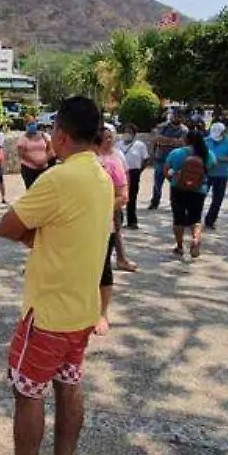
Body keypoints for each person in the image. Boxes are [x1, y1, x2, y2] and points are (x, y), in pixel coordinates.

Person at [0, 97, 112, 455]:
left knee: (28, 393)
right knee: (69, 386)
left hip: (48, 314)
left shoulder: (58, 179)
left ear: (60, 134)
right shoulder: (102, 175)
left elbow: (8, 227)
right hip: (82, 311)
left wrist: (33, 240)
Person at [97, 127, 132, 331]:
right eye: (104, 137)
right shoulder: (84, 161)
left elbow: (123, 196)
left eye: (111, 137)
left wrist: (99, 210)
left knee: (103, 268)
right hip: (80, 227)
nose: (107, 140)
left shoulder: (114, 162)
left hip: (104, 225)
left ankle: (103, 313)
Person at [165, 130, 217, 258]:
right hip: (199, 190)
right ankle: (195, 239)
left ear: (187, 140)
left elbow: (166, 169)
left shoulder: (177, 153)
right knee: (196, 218)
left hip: (178, 188)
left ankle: (180, 246)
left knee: (178, 218)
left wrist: (173, 180)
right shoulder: (207, 154)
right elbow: (212, 167)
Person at [147, 113, 189, 210]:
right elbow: (156, 140)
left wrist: (165, 141)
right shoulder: (163, 127)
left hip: (175, 161)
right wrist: (152, 153)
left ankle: (175, 203)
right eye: (175, 115)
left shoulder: (184, 130)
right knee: (157, 183)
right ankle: (155, 202)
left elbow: (182, 143)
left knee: (175, 183)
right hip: (160, 159)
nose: (177, 118)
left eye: (179, 116)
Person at [204, 122, 228, 229]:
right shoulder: (206, 140)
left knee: (217, 199)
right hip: (206, 173)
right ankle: (192, 218)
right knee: (199, 196)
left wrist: (221, 159)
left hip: (222, 174)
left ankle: (210, 220)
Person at [117, 124, 149, 229]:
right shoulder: (118, 144)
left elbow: (145, 159)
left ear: (134, 134)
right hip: (120, 173)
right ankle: (118, 221)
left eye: (130, 132)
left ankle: (132, 221)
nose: (127, 134)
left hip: (134, 172)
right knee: (118, 196)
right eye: (126, 131)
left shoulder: (140, 145)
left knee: (131, 197)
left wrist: (140, 170)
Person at [17, 116, 54, 189]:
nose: (32, 126)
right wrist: (35, 161)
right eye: (29, 124)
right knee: (32, 190)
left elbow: (51, 150)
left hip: (44, 168)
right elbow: (21, 154)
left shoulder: (44, 136)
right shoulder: (22, 139)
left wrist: (44, 160)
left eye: (33, 123)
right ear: (25, 125)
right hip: (29, 169)